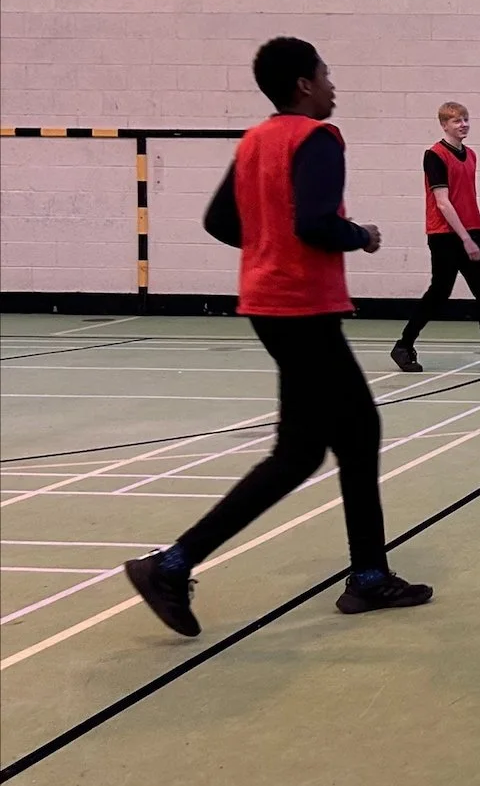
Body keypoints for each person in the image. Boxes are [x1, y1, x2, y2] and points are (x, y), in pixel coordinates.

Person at [124, 37, 431, 636]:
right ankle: (361, 577)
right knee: (353, 435)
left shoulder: (255, 140)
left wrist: (268, 245)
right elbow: (315, 224)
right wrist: (361, 235)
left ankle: (178, 565)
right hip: (302, 307)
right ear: (304, 85)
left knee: (303, 452)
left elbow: (219, 220)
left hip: (269, 304)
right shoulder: (317, 138)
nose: (333, 85)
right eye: (325, 74)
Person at [390, 100, 480, 375]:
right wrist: (465, 239)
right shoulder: (434, 155)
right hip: (445, 235)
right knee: (439, 293)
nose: (463, 124)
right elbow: (443, 202)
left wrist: (472, 235)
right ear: (444, 125)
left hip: (472, 230)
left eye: (466, 119)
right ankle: (403, 345)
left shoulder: (471, 155)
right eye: (457, 120)